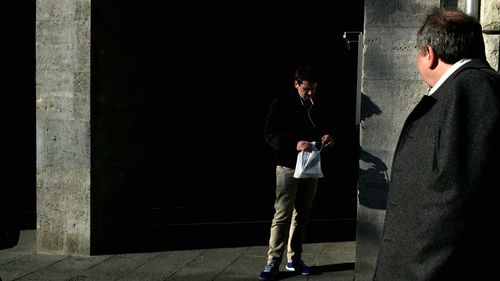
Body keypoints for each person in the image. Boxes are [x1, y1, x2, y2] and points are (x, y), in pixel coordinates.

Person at [374, 7, 500, 281]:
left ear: (429, 54)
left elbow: (456, 196)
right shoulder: (463, 87)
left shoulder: (473, 89)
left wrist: (421, 270)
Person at [260, 65, 334, 280]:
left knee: (302, 215)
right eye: (306, 89)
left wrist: (327, 137)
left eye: (313, 89)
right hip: (288, 167)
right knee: (282, 215)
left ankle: (295, 259)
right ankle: (272, 262)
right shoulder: (281, 103)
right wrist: (292, 144)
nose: (310, 93)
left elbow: (324, 128)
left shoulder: (316, 104)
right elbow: (269, 133)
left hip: (311, 167)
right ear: (296, 84)